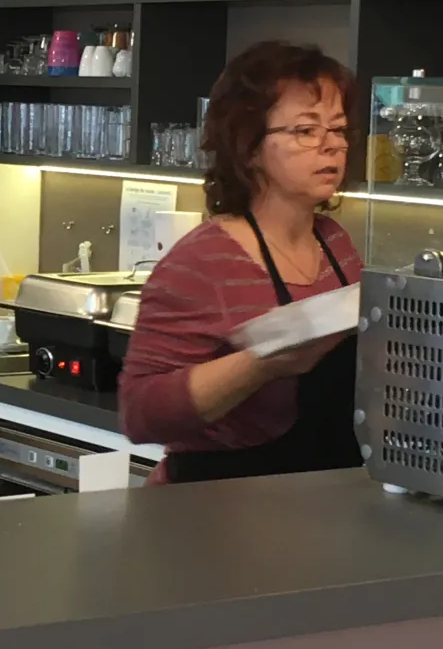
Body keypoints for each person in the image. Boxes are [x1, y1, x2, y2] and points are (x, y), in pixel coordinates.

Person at [118, 40, 363, 484]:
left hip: (322, 509)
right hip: (222, 513)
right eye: (306, 131)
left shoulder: (336, 245)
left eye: (339, 130)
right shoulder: (203, 261)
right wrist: (262, 363)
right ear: (249, 147)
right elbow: (140, 413)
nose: (331, 147)